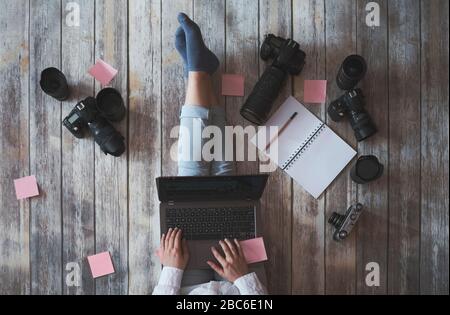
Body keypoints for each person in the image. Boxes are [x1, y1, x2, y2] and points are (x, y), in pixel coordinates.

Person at [152, 13, 267, 295]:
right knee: (225, 180)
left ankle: (199, 71)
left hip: (185, 283)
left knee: (193, 182)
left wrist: (171, 271)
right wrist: (243, 279)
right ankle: (199, 71)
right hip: (236, 286)